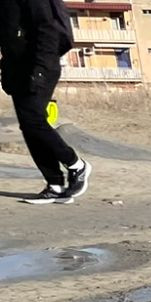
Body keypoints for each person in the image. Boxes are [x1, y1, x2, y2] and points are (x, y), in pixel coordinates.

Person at [0, 0, 91, 203]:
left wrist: (41, 69)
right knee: (28, 127)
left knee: (34, 121)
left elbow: (47, 29)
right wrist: (6, 71)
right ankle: (55, 185)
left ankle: (76, 165)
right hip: (17, 70)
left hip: (39, 66)